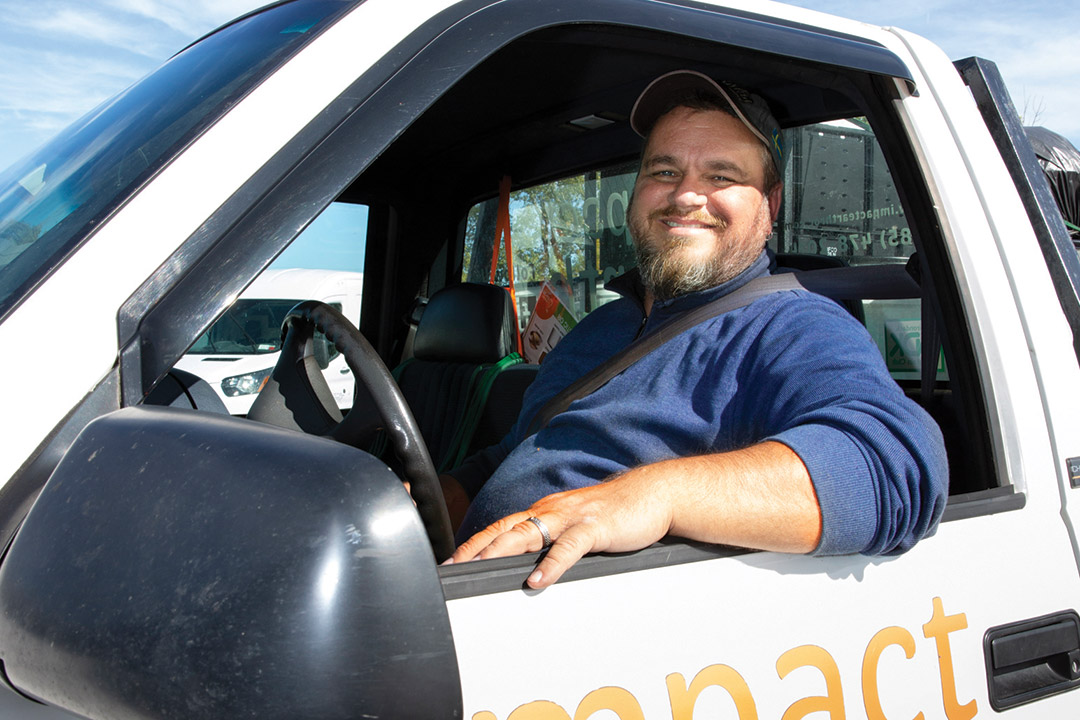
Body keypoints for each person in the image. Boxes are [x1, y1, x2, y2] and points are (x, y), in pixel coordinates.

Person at [440, 70, 948, 589]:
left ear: (769, 207)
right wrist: (430, 503)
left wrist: (654, 495)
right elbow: (521, 451)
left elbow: (895, 468)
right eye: (663, 171)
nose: (685, 195)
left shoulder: (793, 326)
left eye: (721, 177)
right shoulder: (600, 326)